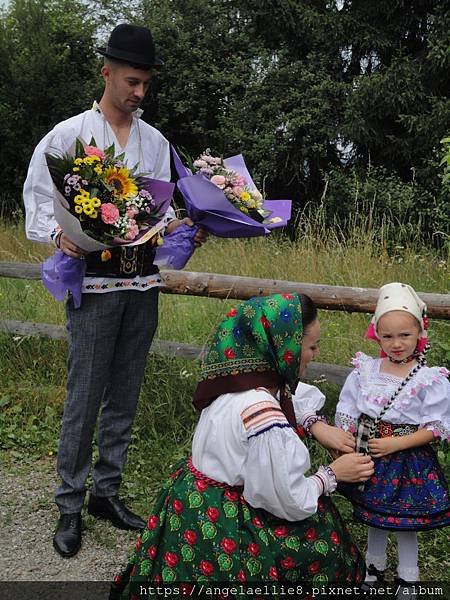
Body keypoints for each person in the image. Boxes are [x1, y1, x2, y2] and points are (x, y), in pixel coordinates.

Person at [23, 23, 206, 558]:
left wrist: (191, 222)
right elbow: (38, 198)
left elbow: (166, 207)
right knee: (84, 397)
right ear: (106, 73)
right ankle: (69, 503)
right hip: (96, 285)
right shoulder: (68, 136)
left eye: (146, 84)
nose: (139, 93)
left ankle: (107, 492)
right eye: (131, 81)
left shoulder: (157, 142)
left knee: (125, 393)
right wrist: (59, 234)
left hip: (143, 282)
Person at [110, 292, 374, 596]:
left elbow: (290, 399)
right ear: (283, 349)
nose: (314, 355)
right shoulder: (263, 415)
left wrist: (315, 425)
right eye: (311, 346)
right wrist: (331, 475)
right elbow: (286, 499)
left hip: (190, 506)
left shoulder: (234, 377)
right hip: (226, 519)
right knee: (323, 542)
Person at [334, 282, 450, 591]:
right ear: (376, 335)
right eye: (387, 336)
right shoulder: (366, 370)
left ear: (419, 335)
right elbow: (349, 408)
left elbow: (435, 426)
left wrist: (398, 442)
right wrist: (345, 440)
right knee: (376, 517)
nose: (396, 344)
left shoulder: (428, 378)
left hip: (407, 460)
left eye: (404, 335)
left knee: (404, 521)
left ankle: (408, 578)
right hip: (372, 456)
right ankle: (373, 571)